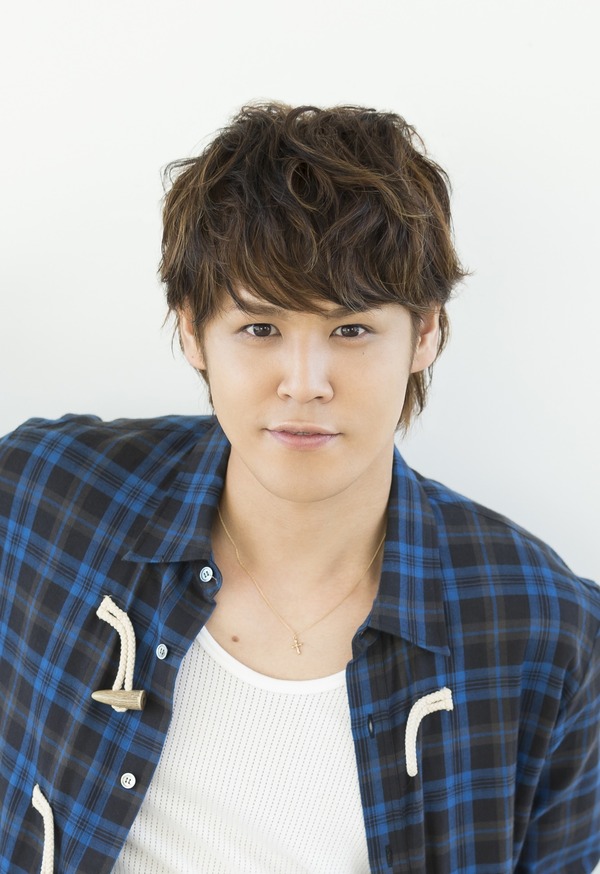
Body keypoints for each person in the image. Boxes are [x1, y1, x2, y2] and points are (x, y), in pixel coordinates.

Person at [0, 103, 598, 874]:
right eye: (261, 329)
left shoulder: (544, 631)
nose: (305, 383)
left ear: (425, 333)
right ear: (192, 330)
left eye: (351, 330)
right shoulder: (44, 499)